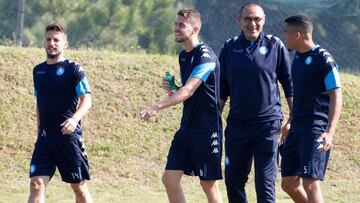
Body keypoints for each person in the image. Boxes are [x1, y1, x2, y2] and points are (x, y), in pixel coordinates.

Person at [141, 8, 223, 203]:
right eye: (175, 24)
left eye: (181, 25)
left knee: (208, 184)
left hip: (207, 128)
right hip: (187, 127)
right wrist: (173, 88)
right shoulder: (184, 56)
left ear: (195, 29)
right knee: (169, 179)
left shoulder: (206, 56)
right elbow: (184, 91)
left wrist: (156, 107)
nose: (176, 28)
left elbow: (188, 91)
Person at [219, 3, 293, 203]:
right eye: (247, 19)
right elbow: (222, 88)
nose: (252, 23)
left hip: (268, 126)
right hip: (237, 126)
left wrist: (293, 118)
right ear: (239, 20)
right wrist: (214, 117)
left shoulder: (275, 45)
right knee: (233, 181)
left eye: (257, 19)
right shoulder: (229, 47)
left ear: (264, 20)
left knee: (265, 183)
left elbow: (289, 84)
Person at [28, 23, 93, 203]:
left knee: (79, 187)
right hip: (45, 140)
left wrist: (74, 119)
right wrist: (38, 132)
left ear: (65, 44)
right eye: (49, 39)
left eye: (56, 40)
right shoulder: (38, 71)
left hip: (68, 139)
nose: (52, 43)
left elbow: (87, 100)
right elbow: (39, 104)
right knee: (36, 184)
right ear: (44, 42)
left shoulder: (74, 69)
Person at [281, 15, 342, 203]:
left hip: (315, 129)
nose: (284, 37)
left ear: (297, 34)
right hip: (297, 127)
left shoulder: (324, 60)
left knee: (310, 183)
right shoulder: (298, 57)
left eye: (286, 33)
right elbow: (301, 95)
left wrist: (329, 132)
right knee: (288, 183)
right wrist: (290, 122)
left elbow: (336, 95)